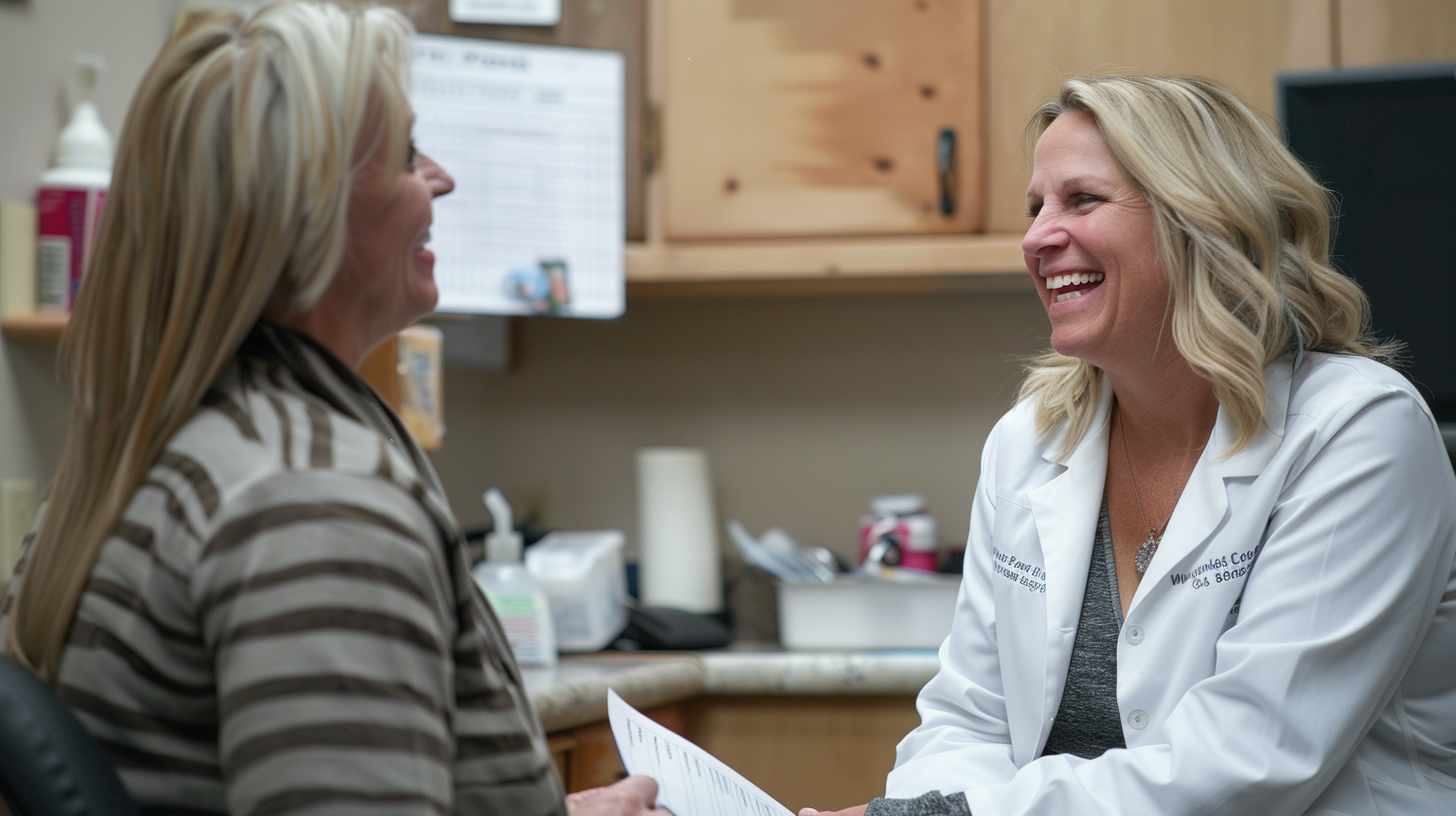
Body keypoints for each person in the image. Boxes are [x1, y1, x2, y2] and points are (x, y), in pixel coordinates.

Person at [0, 3, 659, 815]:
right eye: (408, 155)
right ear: (310, 213)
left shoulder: (153, 448)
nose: (442, 178)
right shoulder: (314, 502)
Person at [802, 75, 1456, 816]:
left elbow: (1249, 761)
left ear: (1202, 218)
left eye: (1082, 200)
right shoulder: (1030, 440)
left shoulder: (1357, 429)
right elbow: (968, 718)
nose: (1036, 238)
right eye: (1036, 208)